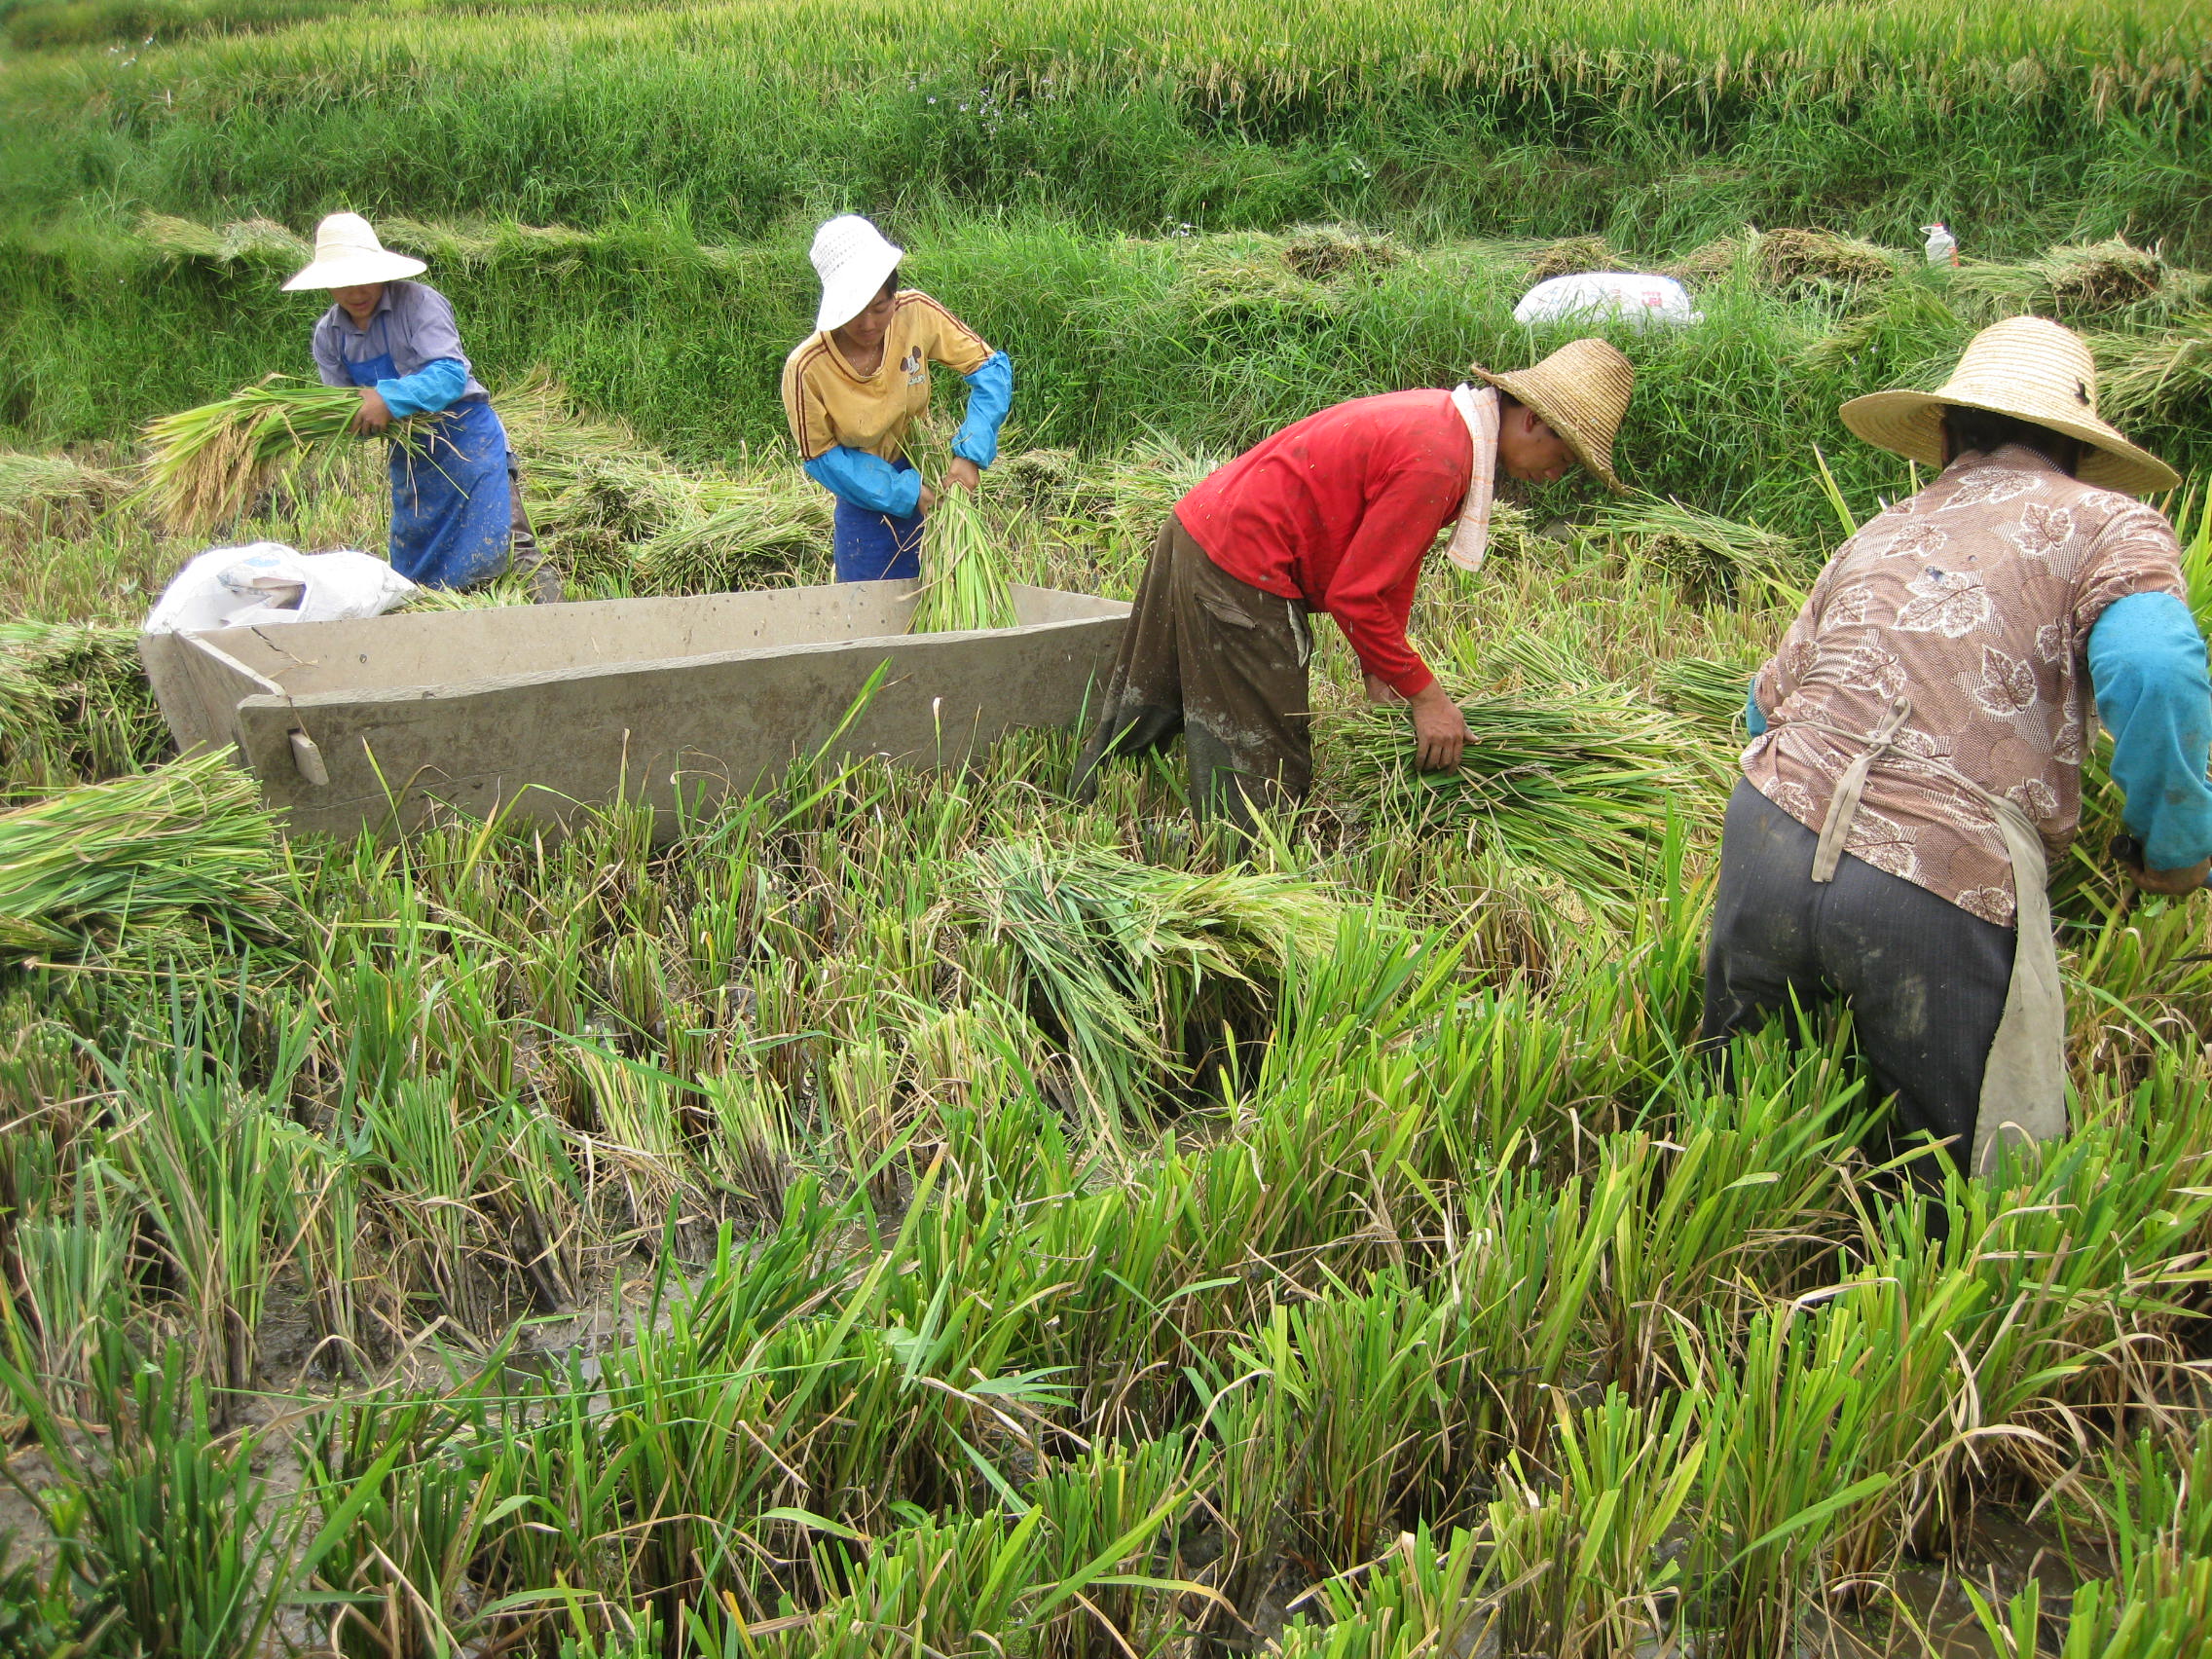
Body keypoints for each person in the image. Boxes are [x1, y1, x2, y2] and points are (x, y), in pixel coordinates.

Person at [1704, 315, 2212, 1186]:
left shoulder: (1885, 527)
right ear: (2081, 451)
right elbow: (2157, 671)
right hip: (1934, 880)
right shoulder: (2108, 524)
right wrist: (2177, 843)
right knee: (1950, 1179)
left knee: (1740, 1122)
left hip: (1767, 831)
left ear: (1944, 432)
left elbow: (1765, 707)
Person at [1069, 339, 1636, 830]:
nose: (1555, 475)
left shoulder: (1446, 423)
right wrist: (1428, 698)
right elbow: (1354, 595)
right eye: (1562, 458)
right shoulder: (1440, 458)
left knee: (1149, 696)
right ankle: (1238, 885)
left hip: (1198, 526)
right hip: (1241, 562)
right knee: (1264, 761)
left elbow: (1394, 560)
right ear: (1533, 421)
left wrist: (1382, 663)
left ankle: (1087, 808)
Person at [284, 213, 552, 600]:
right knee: (418, 563)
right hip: (413, 458)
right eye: (342, 283)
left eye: (363, 277)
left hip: (468, 441)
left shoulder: (419, 304)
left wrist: (387, 399)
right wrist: (347, 420)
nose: (355, 291)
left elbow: (449, 374)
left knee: (508, 545)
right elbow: (347, 406)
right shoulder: (330, 335)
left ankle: (560, 630)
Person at [781, 215, 1014, 582]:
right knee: (869, 617)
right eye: (855, 312)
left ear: (894, 295)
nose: (869, 324)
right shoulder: (808, 368)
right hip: (863, 494)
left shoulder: (916, 313)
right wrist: (903, 492)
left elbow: (991, 370)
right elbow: (822, 458)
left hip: (931, 476)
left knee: (946, 592)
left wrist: (970, 454)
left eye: (880, 307)